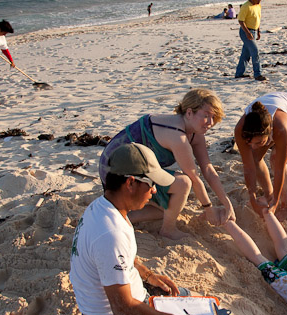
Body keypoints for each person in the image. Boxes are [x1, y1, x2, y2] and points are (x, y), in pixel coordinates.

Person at [70, 143, 217, 315]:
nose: (154, 190)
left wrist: (148, 275)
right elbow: (123, 307)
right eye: (150, 184)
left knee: (195, 301)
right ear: (130, 182)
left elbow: (122, 259)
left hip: (116, 305)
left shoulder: (103, 208)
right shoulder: (110, 234)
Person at [98, 89, 234, 240]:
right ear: (189, 113)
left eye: (214, 117)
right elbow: (194, 178)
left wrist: (227, 203)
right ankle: (168, 229)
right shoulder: (177, 136)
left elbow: (208, 169)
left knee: (171, 208)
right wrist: (209, 209)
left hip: (133, 169)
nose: (210, 122)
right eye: (206, 115)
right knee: (184, 183)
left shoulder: (194, 131)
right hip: (115, 173)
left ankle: (128, 215)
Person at [234, 92, 287, 221]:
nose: (253, 146)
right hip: (273, 109)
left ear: (270, 132)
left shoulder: (280, 128)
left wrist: (276, 204)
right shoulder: (240, 129)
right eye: (250, 143)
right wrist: (252, 198)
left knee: (275, 157)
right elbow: (248, 167)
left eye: (259, 142)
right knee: (254, 158)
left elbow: (279, 169)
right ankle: (269, 195)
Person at [235, 0, 266, 81]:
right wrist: (248, 33)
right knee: (255, 51)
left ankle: (239, 73)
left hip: (254, 31)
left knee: (245, 54)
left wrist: (258, 30)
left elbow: (258, 18)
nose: (260, 0)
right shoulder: (246, 6)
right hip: (246, 31)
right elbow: (241, 21)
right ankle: (258, 74)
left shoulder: (258, 6)